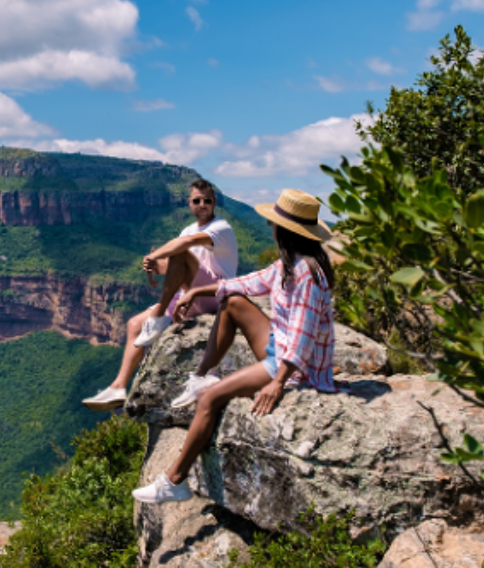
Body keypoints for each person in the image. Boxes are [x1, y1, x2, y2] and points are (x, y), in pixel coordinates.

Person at [133, 187, 338, 503]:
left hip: (296, 367)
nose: (269, 227)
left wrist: (278, 383)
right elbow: (248, 282)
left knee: (210, 399)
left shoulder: (306, 274)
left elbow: (303, 337)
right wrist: (196, 292)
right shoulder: (289, 263)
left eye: (274, 223)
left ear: (286, 230)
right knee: (232, 302)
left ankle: (174, 481)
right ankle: (202, 374)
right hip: (277, 346)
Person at [82, 177, 238, 411]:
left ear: (214, 202)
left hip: (213, 295)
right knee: (134, 325)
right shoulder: (187, 229)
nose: (202, 204)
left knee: (181, 249)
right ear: (189, 203)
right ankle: (118, 387)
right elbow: (177, 268)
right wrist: (156, 266)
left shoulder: (221, 228)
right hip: (187, 296)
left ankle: (158, 319)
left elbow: (187, 244)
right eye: (197, 200)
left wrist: (157, 256)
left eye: (207, 200)